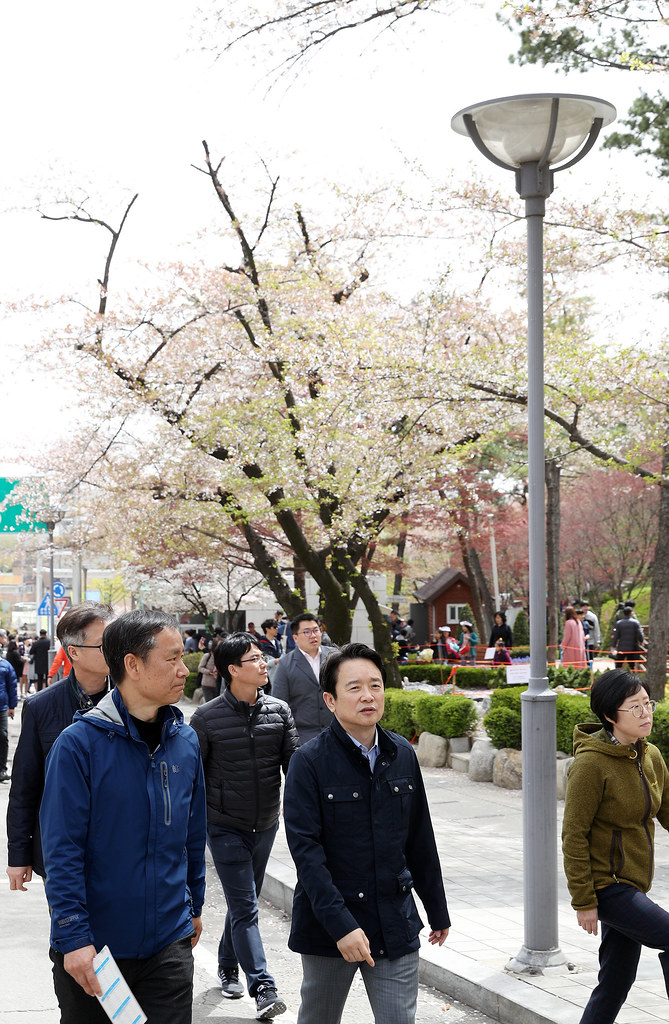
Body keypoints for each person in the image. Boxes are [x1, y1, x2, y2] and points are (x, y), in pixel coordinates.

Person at [39, 609, 206, 1024]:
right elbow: (62, 850)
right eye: (171, 658)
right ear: (132, 664)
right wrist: (74, 937)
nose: (184, 669)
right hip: (96, 952)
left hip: (169, 942)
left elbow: (193, 834)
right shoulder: (78, 746)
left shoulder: (185, 741)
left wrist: (194, 906)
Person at [283, 642, 450, 1024]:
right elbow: (306, 854)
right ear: (330, 699)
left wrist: (436, 907)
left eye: (375, 685)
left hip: (394, 917)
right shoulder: (308, 762)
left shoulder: (402, 754)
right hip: (331, 925)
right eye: (354, 687)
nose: (367, 696)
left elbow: (420, 837)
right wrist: (342, 926)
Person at [190, 632, 299, 1020]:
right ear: (233, 670)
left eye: (262, 656)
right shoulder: (206, 718)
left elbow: (296, 768)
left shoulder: (279, 711)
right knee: (245, 904)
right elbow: (194, 779)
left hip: (266, 822)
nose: (264, 662)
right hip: (224, 826)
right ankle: (264, 988)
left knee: (244, 901)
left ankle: (226, 965)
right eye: (254, 659)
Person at [562, 669, 669, 1023]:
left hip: (634, 883)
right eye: (634, 708)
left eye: (647, 704)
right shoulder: (590, 765)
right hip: (608, 886)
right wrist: (584, 900)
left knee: (616, 980)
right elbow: (573, 835)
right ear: (610, 715)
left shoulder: (649, 755)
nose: (646, 714)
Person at [6, 602, 115, 890]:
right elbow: (25, 787)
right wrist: (18, 855)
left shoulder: (131, 700)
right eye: (105, 644)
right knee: (72, 933)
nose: (116, 649)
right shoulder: (41, 707)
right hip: (62, 852)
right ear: (74, 652)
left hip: (120, 849)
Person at [272, 613, 334, 744]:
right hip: (303, 737)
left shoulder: (335, 656)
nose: (313, 635)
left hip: (337, 732)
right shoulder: (285, 664)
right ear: (295, 638)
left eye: (316, 630)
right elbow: (279, 703)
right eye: (306, 632)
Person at [0, 654, 18, 783]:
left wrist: (12, 706)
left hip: (1, 708)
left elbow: (12, 686)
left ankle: (2, 769)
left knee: (2, 736)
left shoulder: (6, 665)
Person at [611, 605, 645, 670]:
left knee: (618, 665)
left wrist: (613, 646)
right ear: (631, 613)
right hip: (632, 648)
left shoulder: (619, 623)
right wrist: (641, 641)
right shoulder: (635, 623)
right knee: (631, 666)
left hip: (621, 648)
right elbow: (639, 634)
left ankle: (617, 677)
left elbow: (615, 636)